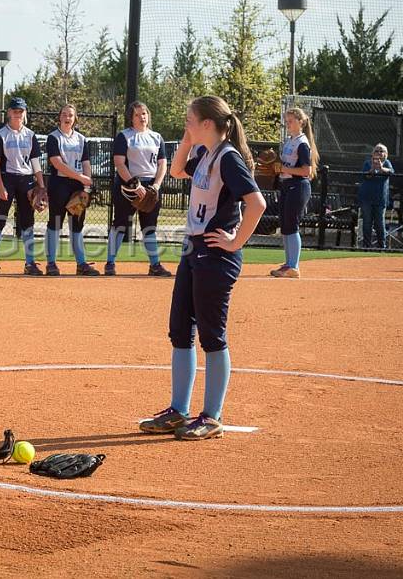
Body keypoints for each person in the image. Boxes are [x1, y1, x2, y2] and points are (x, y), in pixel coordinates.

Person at [139, 95, 265, 441]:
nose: (186, 125)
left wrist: (236, 241)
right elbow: (177, 170)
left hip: (216, 255)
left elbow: (257, 203)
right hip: (193, 249)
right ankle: (178, 412)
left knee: (212, 335)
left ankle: (211, 416)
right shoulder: (206, 154)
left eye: (191, 121)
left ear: (208, 124)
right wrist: (187, 139)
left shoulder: (228, 159)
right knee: (180, 329)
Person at [105, 101, 171, 277]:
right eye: (137, 114)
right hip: (129, 185)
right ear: (131, 118)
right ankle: (110, 263)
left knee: (149, 226)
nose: (142, 117)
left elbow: (162, 164)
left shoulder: (157, 137)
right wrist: (135, 184)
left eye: (144, 113)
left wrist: (156, 185)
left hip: (151, 185)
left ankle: (155, 265)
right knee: (119, 223)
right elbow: (119, 163)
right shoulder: (124, 136)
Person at [0, 96, 45, 275]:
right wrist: (0, 185)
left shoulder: (30, 135)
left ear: (25, 113)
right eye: (15, 111)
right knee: (0, 219)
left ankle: (30, 262)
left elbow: (36, 163)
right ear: (9, 113)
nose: (18, 114)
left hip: (26, 180)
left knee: (27, 221)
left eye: (21, 111)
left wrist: (41, 187)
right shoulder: (1, 135)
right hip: (7, 178)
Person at [44, 104, 99, 276]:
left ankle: (81, 264)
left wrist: (86, 186)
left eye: (71, 115)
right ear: (59, 117)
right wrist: (81, 178)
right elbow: (57, 163)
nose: (68, 117)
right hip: (59, 183)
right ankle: (51, 263)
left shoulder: (81, 139)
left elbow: (86, 164)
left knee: (77, 225)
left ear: (75, 118)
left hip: (77, 186)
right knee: (55, 223)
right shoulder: (53, 137)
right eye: (64, 114)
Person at [269, 107, 320, 278]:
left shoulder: (302, 143)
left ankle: (294, 265)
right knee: (285, 226)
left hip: (298, 186)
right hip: (287, 185)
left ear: (301, 122)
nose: (287, 124)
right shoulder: (290, 141)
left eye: (290, 121)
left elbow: (307, 171)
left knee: (291, 226)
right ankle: (288, 264)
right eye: (286, 121)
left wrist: (283, 168)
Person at [357, 143, 394, 250]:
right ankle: (366, 245)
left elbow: (391, 172)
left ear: (386, 154)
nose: (379, 153)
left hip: (380, 199)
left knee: (380, 223)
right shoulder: (367, 163)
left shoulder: (387, 163)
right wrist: (372, 169)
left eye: (381, 151)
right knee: (367, 222)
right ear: (372, 154)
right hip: (367, 198)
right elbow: (365, 176)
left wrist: (381, 168)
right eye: (376, 151)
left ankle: (382, 246)